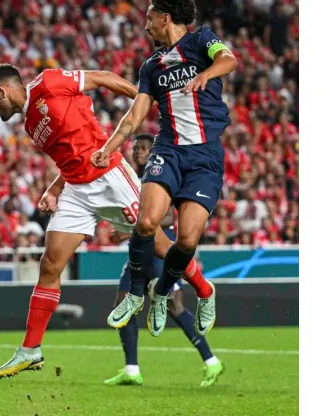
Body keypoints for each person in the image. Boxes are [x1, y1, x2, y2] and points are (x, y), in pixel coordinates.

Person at [0, 64, 214, 378]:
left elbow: (105, 77)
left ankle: (204, 289)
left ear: (2, 91)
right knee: (50, 264)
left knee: (162, 247)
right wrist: (55, 188)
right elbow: (70, 156)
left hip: (110, 179)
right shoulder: (30, 123)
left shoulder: (49, 83)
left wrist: (149, 101)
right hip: (77, 191)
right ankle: (30, 350)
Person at [93, 0, 237, 337]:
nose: (146, 26)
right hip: (169, 150)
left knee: (185, 240)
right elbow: (134, 117)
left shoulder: (202, 40)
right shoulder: (150, 67)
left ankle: (162, 293)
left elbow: (229, 60)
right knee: (145, 222)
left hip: (205, 156)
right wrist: (108, 148)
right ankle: (135, 295)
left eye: (149, 18)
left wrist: (206, 73)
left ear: (165, 18)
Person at [104, 134, 224, 387]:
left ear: (153, 152)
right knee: (122, 302)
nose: (138, 152)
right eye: (136, 148)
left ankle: (211, 361)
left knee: (174, 307)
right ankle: (131, 369)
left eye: (144, 148)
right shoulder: (136, 180)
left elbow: (168, 217)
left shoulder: (162, 176)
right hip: (140, 251)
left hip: (161, 249)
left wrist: (126, 232)